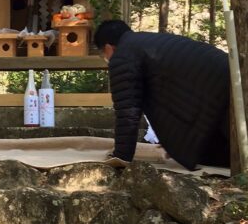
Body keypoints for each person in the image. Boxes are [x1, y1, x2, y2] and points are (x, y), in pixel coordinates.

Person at [93, 20, 230, 170]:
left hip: (218, 90)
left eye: (103, 54)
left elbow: (127, 111)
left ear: (108, 48)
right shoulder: (147, 42)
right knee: (217, 154)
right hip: (226, 76)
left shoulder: (122, 56)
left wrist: (120, 158)